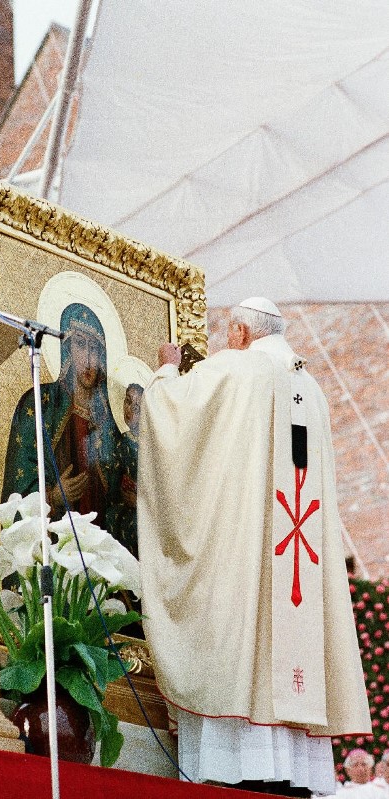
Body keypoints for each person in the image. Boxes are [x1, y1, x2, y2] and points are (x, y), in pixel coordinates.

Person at [137, 297, 371, 795]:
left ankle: (242, 761)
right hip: (297, 534)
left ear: (241, 331)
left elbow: (171, 417)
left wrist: (164, 370)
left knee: (244, 645)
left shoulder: (237, 370)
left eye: (228, 334)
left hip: (250, 563)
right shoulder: (312, 388)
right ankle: (294, 772)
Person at [2, 302, 120, 526]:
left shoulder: (109, 423)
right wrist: (52, 496)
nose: (87, 358)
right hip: (53, 542)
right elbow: (17, 485)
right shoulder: (39, 403)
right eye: (80, 344)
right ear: (66, 348)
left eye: (94, 349)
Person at [106, 383, 144, 559]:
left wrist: (139, 502)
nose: (130, 410)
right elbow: (113, 484)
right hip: (124, 508)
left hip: (145, 510)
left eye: (137, 407)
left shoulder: (152, 443)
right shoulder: (122, 441)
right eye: (128, 402)